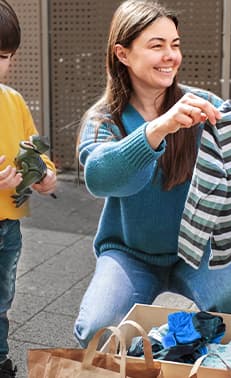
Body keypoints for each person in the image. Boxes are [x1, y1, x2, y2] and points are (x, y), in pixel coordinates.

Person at [74, 0, 231, 348]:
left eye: (175, 45)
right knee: (98, 329)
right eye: (157, 45)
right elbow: (101, 178)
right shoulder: (104, 119)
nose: (170, 56)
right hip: (128, 251)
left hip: (197, 248)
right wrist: (159, 128)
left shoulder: (200, 102)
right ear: (123, 54)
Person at [0, 1, 57, 376]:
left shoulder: (13, 101)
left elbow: (36, 154)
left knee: (2, 299)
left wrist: (45, 176)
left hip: (8, 226)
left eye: (3, 56)